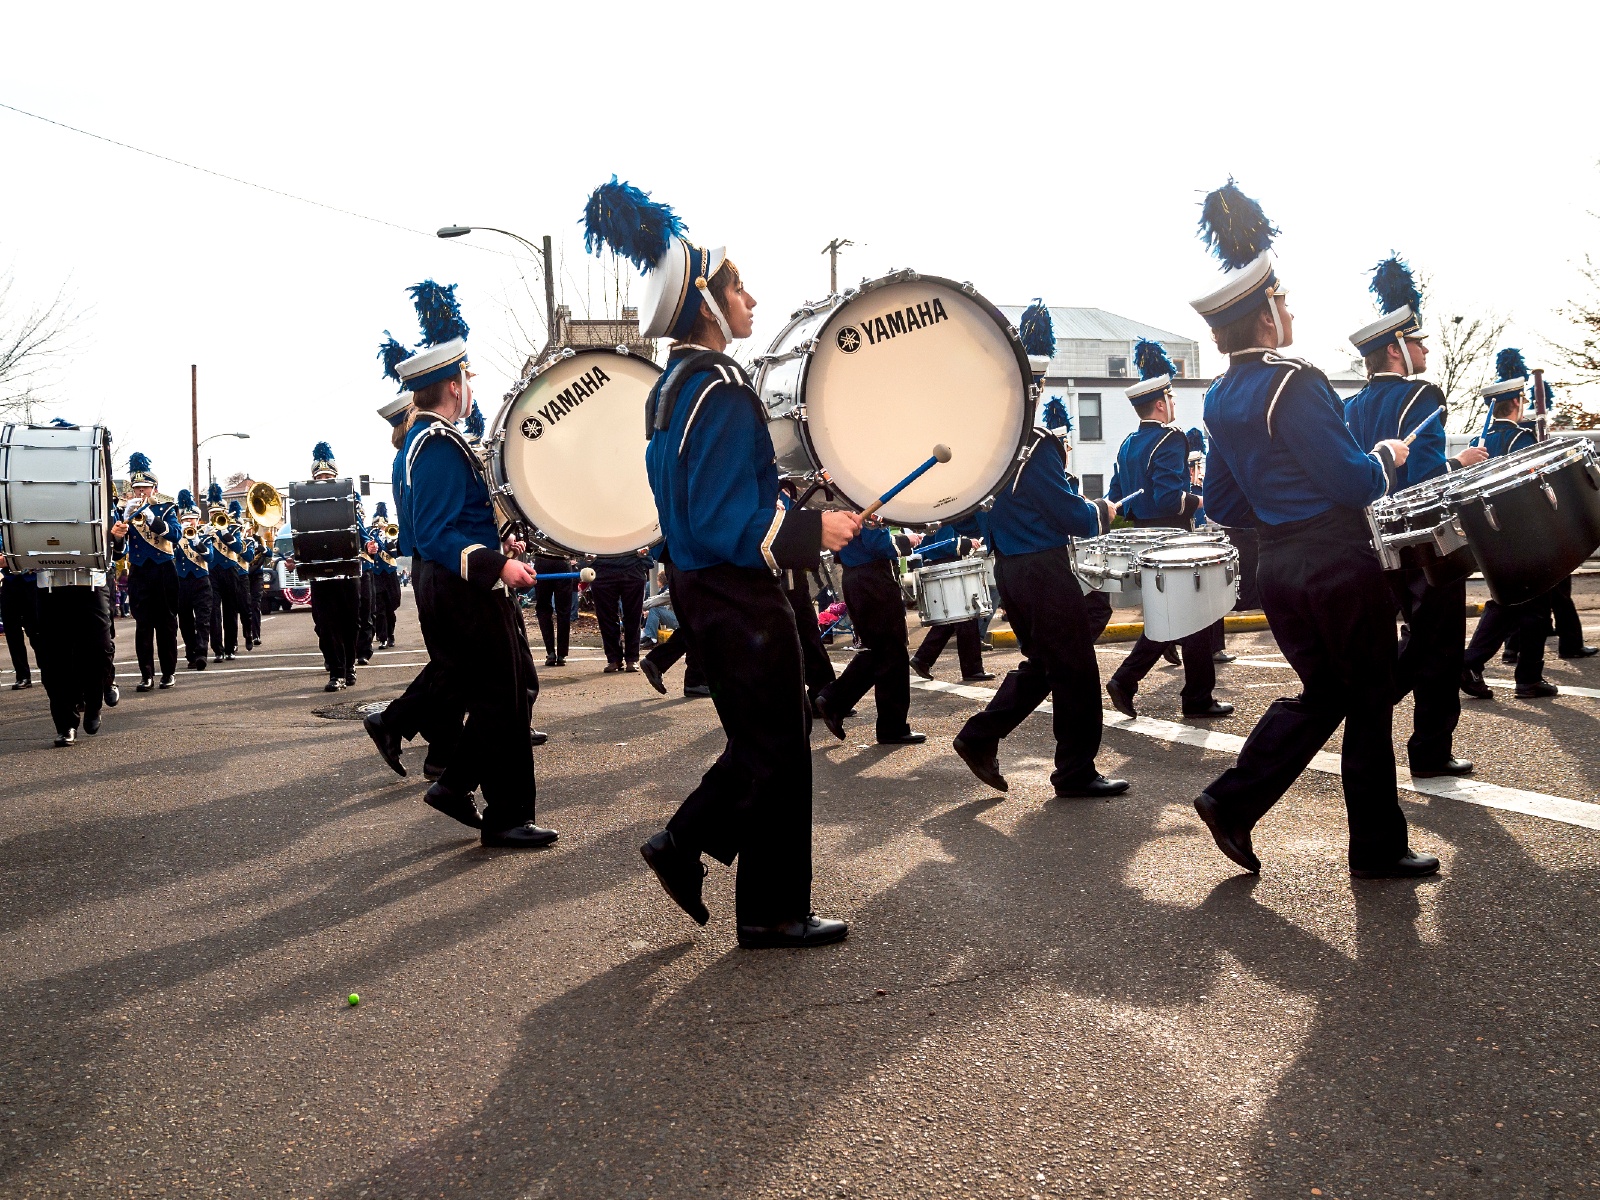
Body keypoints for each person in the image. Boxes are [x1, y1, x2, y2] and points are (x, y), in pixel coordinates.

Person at [585, 177, 858, 945]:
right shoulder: (722, 389)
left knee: (766, 739)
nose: (752, 299)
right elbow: (725, 517)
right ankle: (725, 874)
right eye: (739, 288)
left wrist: (792, 499)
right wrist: (813, 531)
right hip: (738, 592)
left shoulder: (672, 389)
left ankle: (743, 889)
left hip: (704, 587)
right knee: (778, 746)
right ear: (706, 301)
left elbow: (711, 494)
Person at [1184, 179, 1435, 879]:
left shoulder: (1219, 395)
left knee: (1328, 694)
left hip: (1279, 568)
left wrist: (1279, 510)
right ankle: (1376, 848)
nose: (1290, 310)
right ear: (1266, 316)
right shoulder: (1294, 380)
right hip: (1335, 564)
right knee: (1369, 702)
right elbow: (1353, 482)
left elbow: (1221, 501)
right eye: (1284, 301)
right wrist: (1386, 455)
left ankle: (1233, 801)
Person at [392, 280, 554, 848]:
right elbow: (437, 532)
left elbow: (458, 520)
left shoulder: (431, 440)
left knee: (502, 697)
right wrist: (496, 568)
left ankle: (458, 786)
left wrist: (500, 548)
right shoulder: (436, 444)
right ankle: (504, 815)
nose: (469, 391)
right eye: (467, 381)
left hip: (459, 582)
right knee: (502, 699)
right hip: (461, 588)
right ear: (455, 386)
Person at [950, 298, 1124, 799]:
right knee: (1077, 672)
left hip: (1009, 569)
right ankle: (1075, 771)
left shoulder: (987, 445)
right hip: (1043, 569)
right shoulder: (1036, 443)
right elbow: (1069, 515)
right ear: (1035, 386)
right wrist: (1101, 511)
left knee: (1046, 664)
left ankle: (979, 736)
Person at [1344, 255, 1486, 776]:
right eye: (1418, 342)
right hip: (1424, 540)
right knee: (1439, 644)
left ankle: (1371, 704)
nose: (1425, 349)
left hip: (1373, 540)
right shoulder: (1423, 395)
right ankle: (1429, 748)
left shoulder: (1349, 406)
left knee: (1408, 639)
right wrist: (1459, 463)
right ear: (1395, 348)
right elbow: (1425, 478)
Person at [1103, 339, 1233, 721]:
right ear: (1160, 404)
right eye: (1170, 398)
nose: (1173, 403)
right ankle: (1144, 684)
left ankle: (1190, 694)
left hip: (1143, 539)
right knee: (1193, 615)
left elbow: (1118, 495)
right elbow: (1167, 499)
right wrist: (1199, 501)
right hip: (1171, 536)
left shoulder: (1128, 443)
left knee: (1182, 617)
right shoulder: (1171, 437)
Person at [1460, 350, 1562, 700]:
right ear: (1518, 402)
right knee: (1535, 606)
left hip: (1491, 535)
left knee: (1507, 602)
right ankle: (1526, 678)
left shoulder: (1477, 443)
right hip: (1526, 532)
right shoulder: (1523, 439)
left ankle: (1475, 663)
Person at [813, 514, 923, 745]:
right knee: (893, 653)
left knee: (879, 651)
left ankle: (836, 701)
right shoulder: (865, 500)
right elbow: (877, 543)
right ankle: (890, 727)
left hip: (855, 577)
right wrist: (907, 540)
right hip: (873, 579)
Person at [111, 452, 180, 692]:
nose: (140, 492)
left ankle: (168, 672)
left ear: (154, 488)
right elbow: (119, 552)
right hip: (140, 571)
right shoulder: (125, 510)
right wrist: (120, 531)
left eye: (145, 488)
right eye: (137, 488)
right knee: (143, 625)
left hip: (163, 569)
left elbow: (176, 535)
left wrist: (152, 518)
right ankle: (146, 674)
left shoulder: (167, 507)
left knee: (166, 624)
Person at [909, 514, 993, 683]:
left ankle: (923, 659)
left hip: (940, 564)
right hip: (948, 563)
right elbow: (945, 544)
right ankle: (972, 669)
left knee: (952, 618)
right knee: (967, 616)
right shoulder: (945, 512)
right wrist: (967, 543)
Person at [304, 443, 361, 692]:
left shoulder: (349, 497)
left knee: (351, 621)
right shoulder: (305, 501)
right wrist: (295, 557)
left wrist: (368, 544)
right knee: (327, 624)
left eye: (328, 476)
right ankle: (336, 673)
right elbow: (300, 534)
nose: (324, 480)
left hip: (347, 570)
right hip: (320, 573)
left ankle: (349, 666)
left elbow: (359, 527)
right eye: (319, 477)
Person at [171, 490, 213, 670]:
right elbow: (171, 555)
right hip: (182, 583)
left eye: (192, 519)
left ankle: (202, 653)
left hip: (201, 582)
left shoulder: (204, 537)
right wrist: (177, 538)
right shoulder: (176, 538)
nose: (189, 522)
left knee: (203, 620)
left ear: (198, 520)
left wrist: (196, 541)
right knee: (185, 622)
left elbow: (209, 557)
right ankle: (191, 654)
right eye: (185, 519)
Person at [590, 548, 650, 672]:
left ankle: (631, 658)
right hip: (603, 566)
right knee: (606, 617)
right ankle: (614, 659)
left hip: (631, 565)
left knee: (633, 616)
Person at [2, 564, 38, 689]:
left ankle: (48, 670)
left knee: (36, 632)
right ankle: (22, 675)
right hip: (10, 582)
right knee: (12, 632)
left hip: (32, 582)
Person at [371, 502, 401, 649]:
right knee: (379, 609)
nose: (381, 526)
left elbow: (395, 554)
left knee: (391, 606)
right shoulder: (371, 535)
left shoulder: (391, 533)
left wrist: (388, 540)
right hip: (377, 574)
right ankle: (382, 637)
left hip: (390, 574)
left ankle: (391, 635)